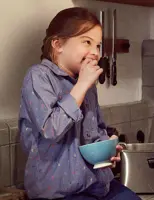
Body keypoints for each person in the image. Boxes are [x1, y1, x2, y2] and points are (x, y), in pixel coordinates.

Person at [18, 7, 141, 200]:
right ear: (58, 44)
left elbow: (96, 129)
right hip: (58, 192)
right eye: (87, 42)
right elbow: (50, 130)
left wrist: (106, 148)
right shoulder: (38, 77)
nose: (95, 53)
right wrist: (82, 85)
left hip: (97, 185)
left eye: (98, 46)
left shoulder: (86, 83)